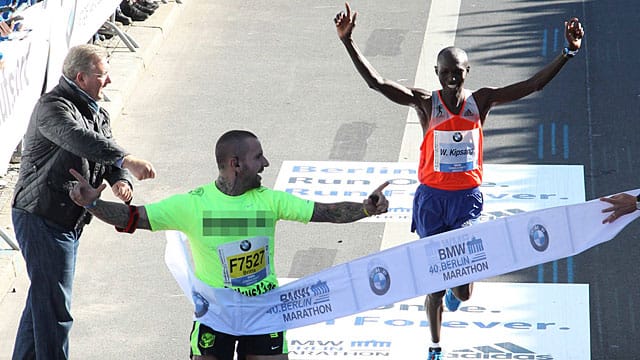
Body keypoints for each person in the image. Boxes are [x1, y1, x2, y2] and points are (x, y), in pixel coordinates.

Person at [334, 3, 584, 359]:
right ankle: (435, 346)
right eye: (445, 72)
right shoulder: (425, 103)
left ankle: (456, 294)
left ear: (468, 71)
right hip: (432, 201)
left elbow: (532, 84)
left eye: (458, 72)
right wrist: (348, 42)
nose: (452, 78)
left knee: (463, 290)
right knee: (434, 281)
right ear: (437, 73)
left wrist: (567, 52)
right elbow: (378, 83)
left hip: (466, 200)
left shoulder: (482, 101)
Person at [67, 129, 390, 360]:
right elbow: (132, 217)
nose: (265, 163)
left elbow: (326, 213)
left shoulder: (270, 201)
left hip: (265, 314)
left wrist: (366, 207)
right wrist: (93, 206)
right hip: (215, 318)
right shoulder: (192, 205)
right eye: (258, 157)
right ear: (236, 163)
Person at [11, 44, 156, 359]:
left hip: (66, 219)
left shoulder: (96, 110)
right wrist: (127, 159)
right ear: (81, 77)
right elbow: (79, 139)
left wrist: (121, 179)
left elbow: (106, 148)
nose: (110, 81)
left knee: (44, 302)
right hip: (40, 217)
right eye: (103, 75)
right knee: (55, 312)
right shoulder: (52, 108)